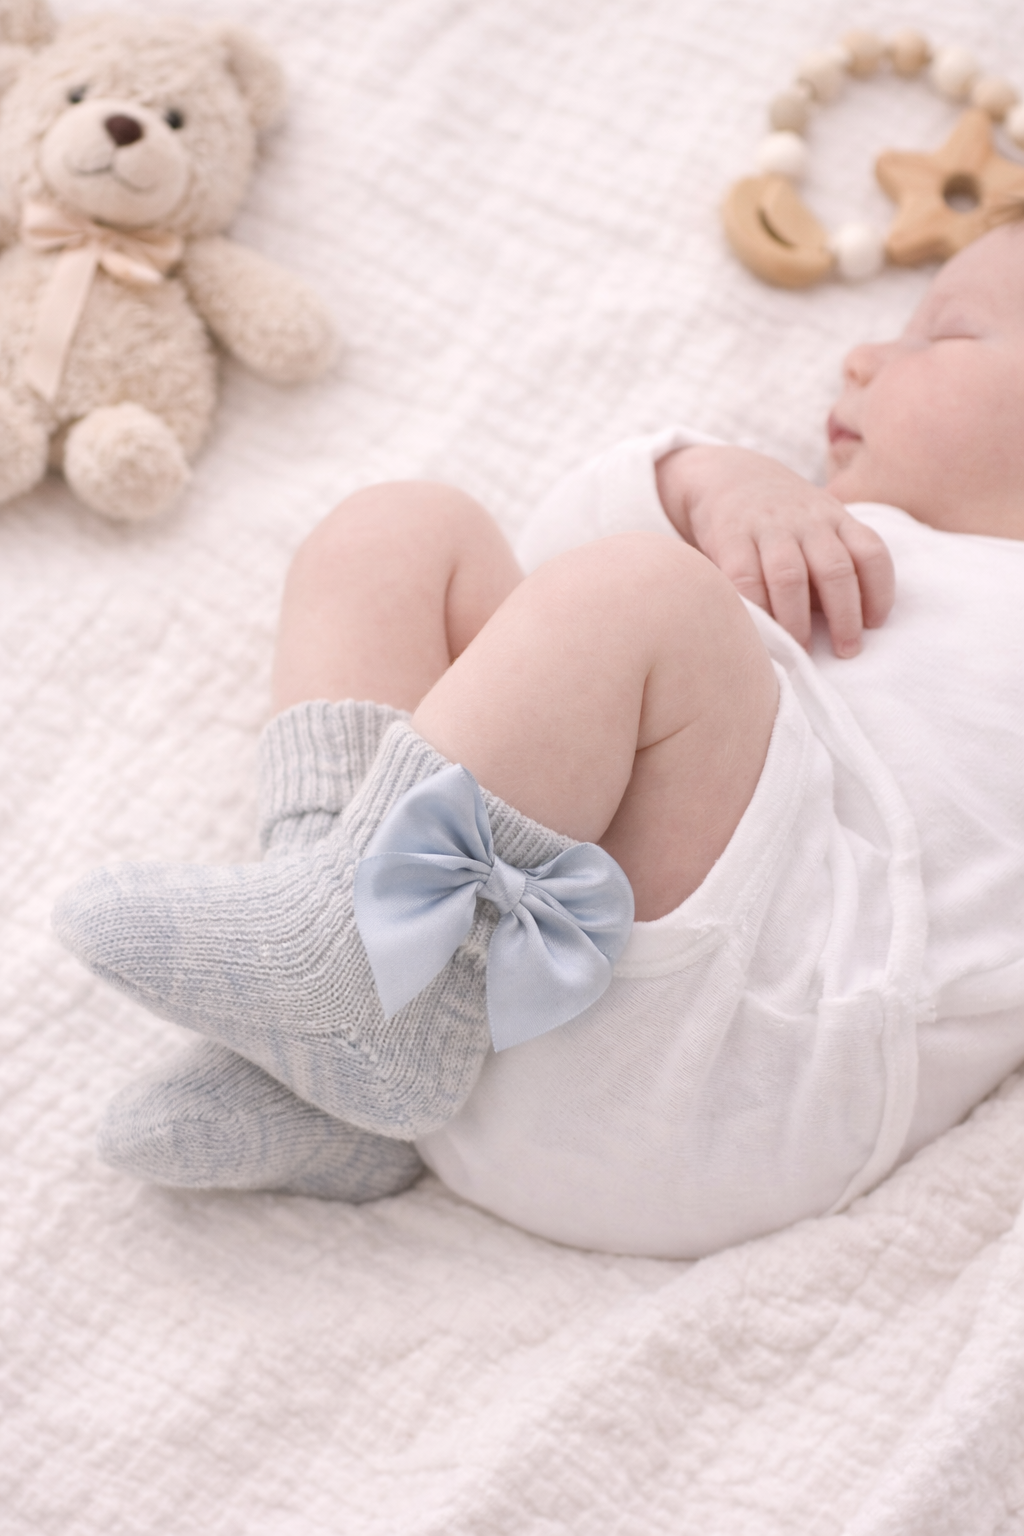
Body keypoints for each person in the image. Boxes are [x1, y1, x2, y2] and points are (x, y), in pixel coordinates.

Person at [54, 224, 1024, 1259]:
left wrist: (666, 574)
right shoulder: (815, 528)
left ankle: (355, 966)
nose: (864, 356)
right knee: (399, 532)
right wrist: (708, 480)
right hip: (511, 995)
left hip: (743, 1059)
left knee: (647, 593)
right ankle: (350, 1051)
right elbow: (556, 584)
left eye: (945, 336)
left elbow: (613, 597)